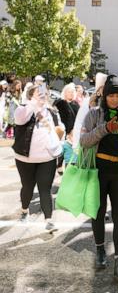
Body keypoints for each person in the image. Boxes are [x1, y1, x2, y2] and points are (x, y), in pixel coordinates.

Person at [80, 75, 118, 282]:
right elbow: (84, 141)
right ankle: (100, 250)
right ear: (105, 95)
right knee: (98, 213)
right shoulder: (93, 114)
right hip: (98, 172)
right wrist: (106, 128)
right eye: (111, 95)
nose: (115, 99)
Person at [12, 84, 64, 232]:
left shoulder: (51, 111)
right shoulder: (23, 109)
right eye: (38, 93)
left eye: (44, 94)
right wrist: (33, 104)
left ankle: (49, 220)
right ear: (30, 96)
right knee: (28, 187)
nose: (42, 96)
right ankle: (24, 211)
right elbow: (20, 120)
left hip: (47, 158)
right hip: (25, 158)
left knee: (45, 189)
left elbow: (60, 129)